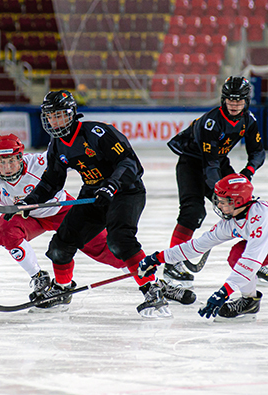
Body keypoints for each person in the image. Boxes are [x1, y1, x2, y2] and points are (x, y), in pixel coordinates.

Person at [14, 89, 195, 317]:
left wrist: (111, 185)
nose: (55, 121)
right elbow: (52, 181)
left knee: (120, 240)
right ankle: (61, 290)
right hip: (93, 194)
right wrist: (29, 202)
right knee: (61, 245)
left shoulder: (97, 133)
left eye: (60, 115)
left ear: (71, 114)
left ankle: (152, 289)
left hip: (126, 192)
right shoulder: (57, 145)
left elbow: (131, 164)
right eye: (51, 116)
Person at [0, 134, 131, 302]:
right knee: (4, 229)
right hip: (28, 218)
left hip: (60, 210)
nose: (7, 168)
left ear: (21, 158)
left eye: (11, 160)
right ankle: (38, 276)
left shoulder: (40, 163)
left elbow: (75, 161)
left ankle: (144, 277)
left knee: (105, 249)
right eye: (1, 162)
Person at [165, 76, 265, 287]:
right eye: (230, 100)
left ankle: (261, 260)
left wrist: (247, 172)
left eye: (239, 100)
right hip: (192, 163)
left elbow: (257, 152)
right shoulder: (211, 122)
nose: (235, 105)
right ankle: (172, 263)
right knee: (193, 212)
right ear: (223, 100)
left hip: (218, 161)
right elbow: (209, 166)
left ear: (246, 101)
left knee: (245, 207)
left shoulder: (249, 120)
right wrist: (221, 196)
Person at [138, 173, 266, 321]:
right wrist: (158, 258)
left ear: (237, 201)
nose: (218, 205)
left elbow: (251, 260)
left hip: (262, 250)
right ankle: (249, 302)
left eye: (223, 201)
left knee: (243, 256)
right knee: (237, 254)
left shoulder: (260, 218)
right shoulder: (231, 221)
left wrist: (224, 292)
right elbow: (197, 246)